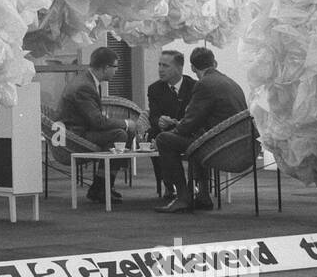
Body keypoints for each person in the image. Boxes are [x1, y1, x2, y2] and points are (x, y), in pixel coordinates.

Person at [154, 47, 247, 214]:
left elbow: (189, 124)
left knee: (164, 140)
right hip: (240, 142)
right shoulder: (230, 82)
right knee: (196, 140)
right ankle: (203, 195)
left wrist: (174, 129)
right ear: (214, 63)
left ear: (192, 68)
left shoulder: (204, 84)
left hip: (219, 146)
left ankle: (182, 197)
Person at [57, 47, 143, 206]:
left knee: (121, 133)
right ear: (105, 67)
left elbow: (94, 117)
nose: (116, 71)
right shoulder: (85, 86)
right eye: (115, 67)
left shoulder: (87, 81)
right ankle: (102, 187)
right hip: (75, 135)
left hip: (80, 128)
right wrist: (127, 123)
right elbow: (98, 122)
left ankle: (101, 186)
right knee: (120, 134)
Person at [147, 49, 198, 201]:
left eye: (165, 66)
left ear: (179, 68)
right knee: (156, 136)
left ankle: (193, 184)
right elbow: (154, 116)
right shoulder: (154, 89)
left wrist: (180, 123)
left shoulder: (194, 86)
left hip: (188, 131)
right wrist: (160, 121)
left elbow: (198, 115)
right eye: (159, 65)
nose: (160, 69)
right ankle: (168, 184)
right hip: (165, 131)